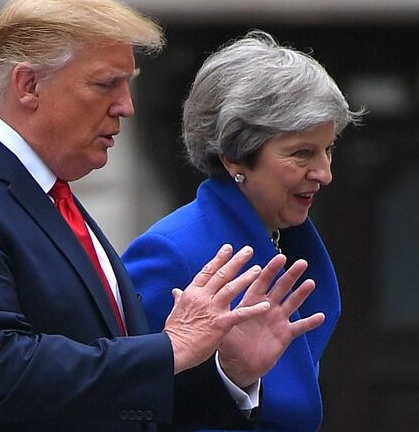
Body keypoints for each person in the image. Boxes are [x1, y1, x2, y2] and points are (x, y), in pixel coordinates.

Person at [0, 0, 325, 431]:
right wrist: (169, 349)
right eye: (106, 85)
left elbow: (114, 399)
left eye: (128, 85)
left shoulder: (48, 198)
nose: (126, 107)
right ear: (28, 85)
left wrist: (230, 373)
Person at [122, 30, 362, 431]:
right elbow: (133, 406)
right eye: (302, 153)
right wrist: (232, 378)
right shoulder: (171, 252)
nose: (325, 173)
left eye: (329, 149)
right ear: (234, 156)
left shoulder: (285, 236)